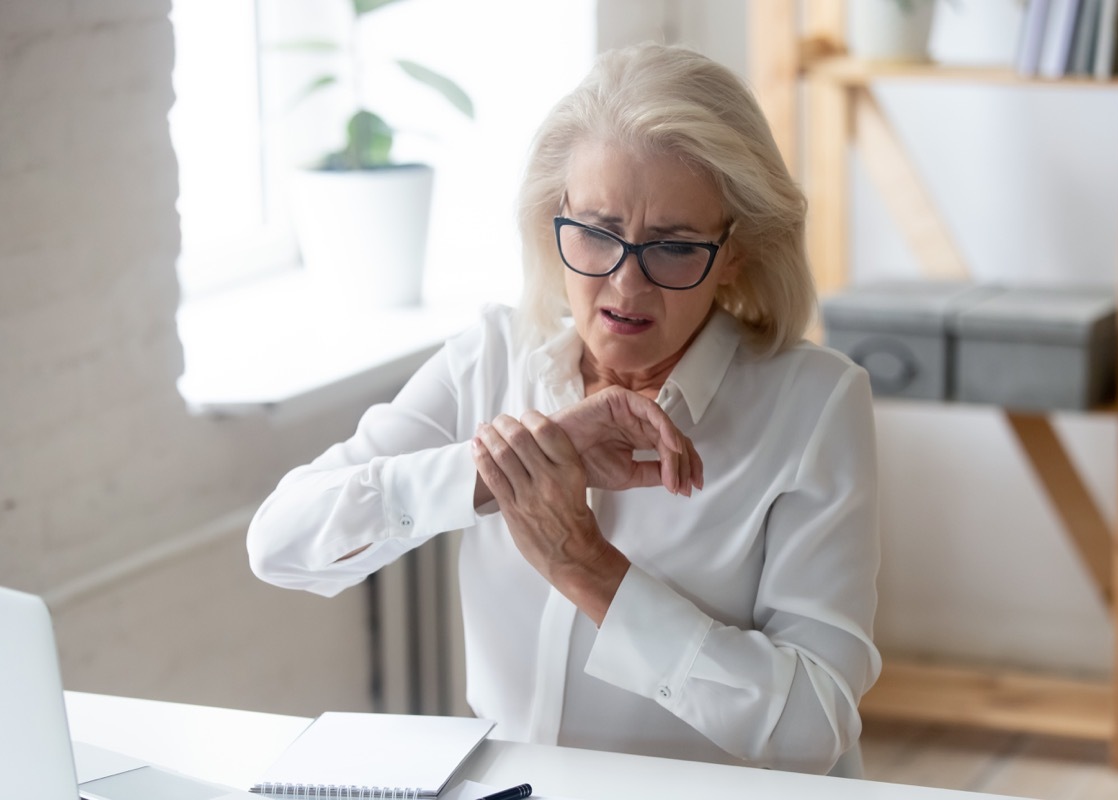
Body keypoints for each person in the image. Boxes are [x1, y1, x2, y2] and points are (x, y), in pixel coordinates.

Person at [247, 42, 880, 777]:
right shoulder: (490, 356)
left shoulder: (814, 404)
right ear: (555, 217)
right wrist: (499, 472)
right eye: (597, 232)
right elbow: (280, 545)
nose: (625, 285)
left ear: (734, 250)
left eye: (673, 247)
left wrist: (589, 570)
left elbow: (814, 726)